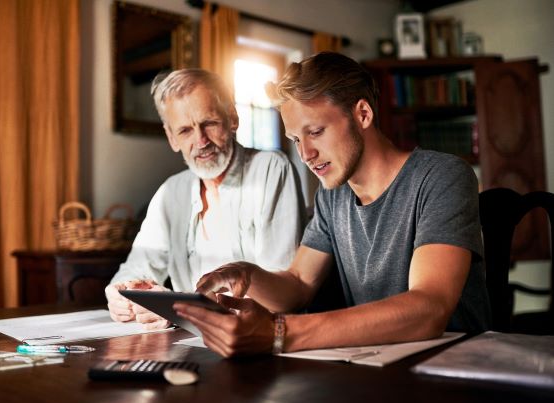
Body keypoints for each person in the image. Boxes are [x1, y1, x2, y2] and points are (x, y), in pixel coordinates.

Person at [174, 52, 491, 357]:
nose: (305, 154)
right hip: (377, 368)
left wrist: (279, 332)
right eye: (297, 139)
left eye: (315, 132)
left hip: (452, 369)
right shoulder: (331, 196)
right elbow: (297, 284)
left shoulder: (442, 176)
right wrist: (245, 273)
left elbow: (429, 307)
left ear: (362, 114)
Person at [105, 68, 306, 329]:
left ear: (232, 118)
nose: (200, 141)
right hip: (193, 343)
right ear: (171, 138)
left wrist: (179, 308)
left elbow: (281, 295)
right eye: (185, 130)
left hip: (261, 341)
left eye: (209, 123)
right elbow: (136, 269)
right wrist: (122, 293)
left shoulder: (271, 169)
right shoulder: (170, 192)